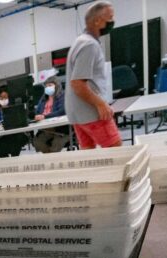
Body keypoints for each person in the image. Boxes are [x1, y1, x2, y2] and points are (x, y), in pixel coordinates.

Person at [65, 1, 121, 150]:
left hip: (78, 114)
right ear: (97, 21)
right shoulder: (89, 45)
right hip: (92, 113)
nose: (112, 21)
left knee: (90, 158)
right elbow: (77, 83)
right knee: (116, 151)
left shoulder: (80, 41)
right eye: (110, 17)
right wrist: (101, 104)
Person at [0, 86, 28, 158]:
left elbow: (22, 120)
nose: (3, 100)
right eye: (1, 98)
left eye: (6, 97)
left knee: (17, 141)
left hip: (14, 134)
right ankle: (5, 161)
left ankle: (15, 159)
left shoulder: (14, 103)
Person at [32, 76, 69, 153]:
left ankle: (52, 159)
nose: (48, 88)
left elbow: (61, 111)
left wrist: (44, 116)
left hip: (60, 129)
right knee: (37, 142)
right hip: (45, 128)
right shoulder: (43, 98)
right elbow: (37, 111)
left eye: (50, 85)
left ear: (57, 85)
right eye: (46, 86)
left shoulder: (62, 96)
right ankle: (50, 158)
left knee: (55, 145)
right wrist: (36, 116)